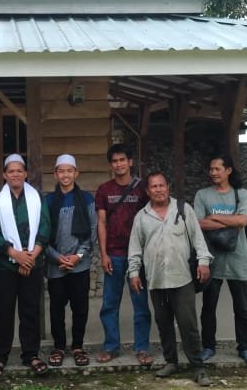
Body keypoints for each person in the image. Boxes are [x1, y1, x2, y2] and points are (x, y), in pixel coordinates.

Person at [128, 172, 212, 386]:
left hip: (182, 277)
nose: (158, 190)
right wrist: (134, 273)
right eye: (153, 187)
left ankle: (198, 367)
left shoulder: (183, 209)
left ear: (168, 187)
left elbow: (198, 238)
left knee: (188, 324)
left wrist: (203, 261)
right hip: (156, 280)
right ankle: (171, 361)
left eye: (161, 185)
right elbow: (135, 248)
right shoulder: (142, 216)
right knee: (163, 323)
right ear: (148, 191)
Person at [0, 153, 51, 379]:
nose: (15, 174)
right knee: (4, 311)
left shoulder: (37, 197)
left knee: (30, 310)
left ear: (26, 174)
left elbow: (45, 226)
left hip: (33, 262)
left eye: (19, 171)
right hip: (7, 265)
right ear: (4, 175)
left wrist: (30, 256)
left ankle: (30, 354)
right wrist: (15, 254)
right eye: (11, 171)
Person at [194, 154, 247, 366]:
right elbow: (198, 223)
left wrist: (215, 217)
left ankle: (245, 347)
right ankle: (208, 346)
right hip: (212, 259)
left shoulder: (241, 194)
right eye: (211, 169)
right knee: (208, 307)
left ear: (228, 170)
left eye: (217, 169)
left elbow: (243, 221)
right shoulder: (203, 195)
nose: (213, 172)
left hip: (238, 259)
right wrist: (231, 222)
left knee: (242, 308)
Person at [94, 144, 153, 366]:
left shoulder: (142, 188)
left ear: (130, 162)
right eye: (114, 161)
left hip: (138, 256)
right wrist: (103, 254)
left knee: (141, 304)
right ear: (110, 165)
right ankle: (111, 347)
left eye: (122, 160)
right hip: (114, 254)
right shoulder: (104, 190)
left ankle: (142, 348)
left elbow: (151, 217)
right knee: (110, 303)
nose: (119, 164)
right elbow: (101, 222)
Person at [43, 154, 97, 368]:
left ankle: (77, 346)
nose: (65, 175)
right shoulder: (48, 201)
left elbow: (92, 231)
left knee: (80, 307)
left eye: (69, 171)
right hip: (55, 265)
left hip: (80, 265)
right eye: (61, 171)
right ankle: (58, 346)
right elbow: (42, 234)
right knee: (56, 308)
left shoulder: (86, 199)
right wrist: (57, 257)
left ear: (76, 173)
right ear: (55, 174)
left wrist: (78, 256)